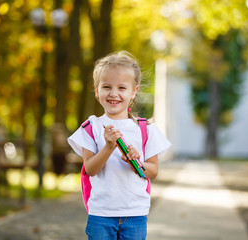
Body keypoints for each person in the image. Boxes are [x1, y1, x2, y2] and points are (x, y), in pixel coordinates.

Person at [67, 51, 171, 240]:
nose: (113, 93)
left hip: (135, 213)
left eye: (122, 88)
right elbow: (90, 169)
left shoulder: (145, 129)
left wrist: (136, 161)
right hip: (101, 213)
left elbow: (153, 171)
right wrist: (107, 147)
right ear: (97, 90)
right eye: (107, 87)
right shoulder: (91, 128)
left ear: (134, 91)